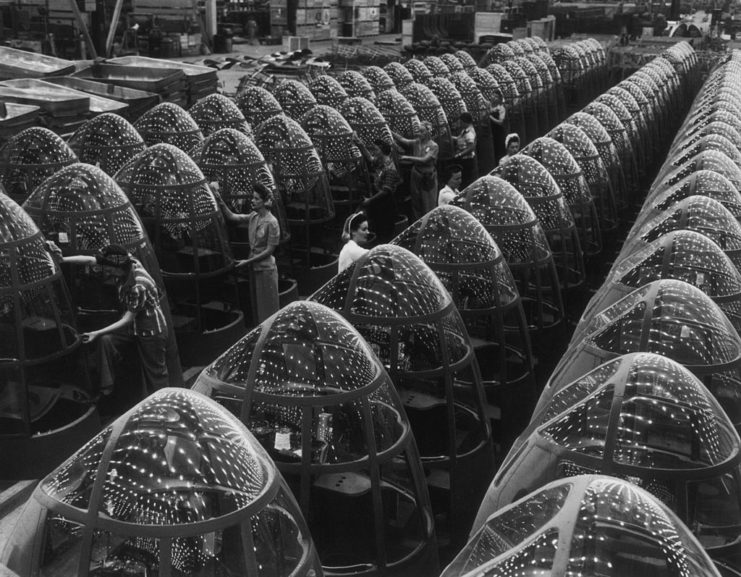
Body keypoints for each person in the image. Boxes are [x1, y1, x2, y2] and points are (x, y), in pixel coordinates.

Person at [73, 244, 169, 400]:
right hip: (134, 328)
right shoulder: (128, 261)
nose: (105, 273)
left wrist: (96, 332)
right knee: (106, 341)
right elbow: (90, 261)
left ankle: (163, 404)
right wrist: (61, 259)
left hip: (151, 331)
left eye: (108, 270)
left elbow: (127, 319)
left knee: (156, 374)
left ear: (118, 268)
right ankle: (107, 389)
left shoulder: (138, 285)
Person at [213, 182, 281, 324]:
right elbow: (232, 217)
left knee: (268, 310)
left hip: (266, 271)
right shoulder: (254, 217)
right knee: (257, 309)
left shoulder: (272, 222)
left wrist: (247, 262)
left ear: (263, 201)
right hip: (255, 270)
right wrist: (219, 199)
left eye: (256, 198)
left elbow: (270, 250)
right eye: (253, 198)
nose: (253, 200)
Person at [393, 121, 439, 220]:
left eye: (422, 131)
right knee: (416, 201)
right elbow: (402, 140)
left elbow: (424, 160)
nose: (419, 133)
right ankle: (418, 224)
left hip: (427, 176)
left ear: (428, 132)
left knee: (428, 202)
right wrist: (390, 131)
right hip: (416, 174)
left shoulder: (434, 146)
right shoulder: (416, 142)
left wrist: (407, 157)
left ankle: (429, 223)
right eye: (419, 131)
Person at [362, 139, 403, 243]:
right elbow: (370, 158)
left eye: (376, 149)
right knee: (378, 232)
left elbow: (386, 191)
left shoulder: (390, 168)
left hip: (386, 206)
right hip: (379, 204)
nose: (374, 152)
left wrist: (370, 200)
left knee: (385, 236)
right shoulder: (380, 162)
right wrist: (360, 145)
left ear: (382, 151)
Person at [454, 112, 478, 188]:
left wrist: (460, 154)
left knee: (466, 180)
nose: (460, 123)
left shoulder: (469, 132)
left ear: (464, 122)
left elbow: (471, 147)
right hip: (465, 159)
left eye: (461, 122)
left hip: (467, 160)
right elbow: (461, 139)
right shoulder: (465, 130)